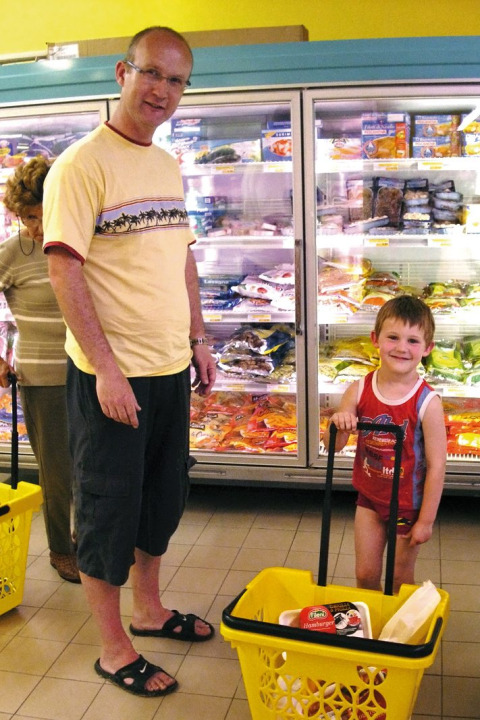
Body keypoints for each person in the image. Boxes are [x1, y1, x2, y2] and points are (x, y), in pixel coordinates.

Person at [42, 26, 216, 698]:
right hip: (111, 379)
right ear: (122, 72)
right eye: (152, 75)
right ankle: (113, 649)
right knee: (109, 510)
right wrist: (106, 369)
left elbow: (183, 256)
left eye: (176, 81)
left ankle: (149, 610)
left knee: (160, 502)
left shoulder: (166, 164)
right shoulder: (82, 165)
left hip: (169, 367)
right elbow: (64, 272)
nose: (163, 92)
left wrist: (199, 337)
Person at [323, 295, 446, 594]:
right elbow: (333, 445)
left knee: (399, 577)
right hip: (369, 497)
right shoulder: (359, 389)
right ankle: (370, 633)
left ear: (427, 349)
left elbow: (437, 465)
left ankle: (398, 634)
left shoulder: (427, 402)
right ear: (375, 339)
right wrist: (338, 424)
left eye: (413, 341)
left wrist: (426, 521)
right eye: (393, 337)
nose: (402, 348)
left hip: (408, 504)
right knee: (365, 574)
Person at [0, 157, 79, 583]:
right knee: (57, 470)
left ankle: (85, 537)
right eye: (25, 217)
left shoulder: (84, 241)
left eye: (38, 215)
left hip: (91, 372)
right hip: (43, 376)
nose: (32, 227)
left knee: (91, 464)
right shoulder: (15, 252)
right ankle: (60, 550)